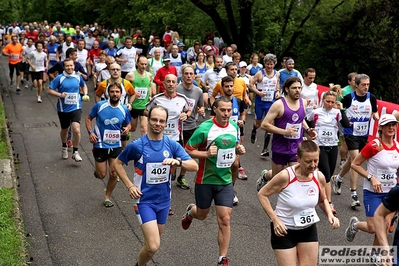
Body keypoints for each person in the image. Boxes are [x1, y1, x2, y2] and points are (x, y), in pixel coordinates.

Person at [113, 106, 198, 266]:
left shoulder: (171, 145)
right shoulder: (138, 146)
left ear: (166, 123)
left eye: (161, 121)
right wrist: (130, 186)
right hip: (143, 201)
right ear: (149, 120)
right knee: (153, 245)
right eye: (154, 119)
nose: (157, 123)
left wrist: (178, 162)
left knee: (152, 244)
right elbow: (118, 164)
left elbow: (194, 166)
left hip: (164, 201)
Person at [182, 96, 246, 266]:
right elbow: (187, 150)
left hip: (225, 181)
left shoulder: (234, 127)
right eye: (223, 110)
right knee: (202, 215)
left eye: (229, 110)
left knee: (225, 219)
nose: (226, 113)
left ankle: (222, 258)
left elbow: (234, 146)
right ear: (215, 109)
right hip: (205, 180)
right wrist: (206, 154)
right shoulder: (205, 128)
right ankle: (191, 212)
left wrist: (239, 149)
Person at [257, 140, 340, 266]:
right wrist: (275, 220)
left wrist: (330, 214)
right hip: (284, 230)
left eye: (316, 161)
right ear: (298, 159)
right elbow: (262, 194)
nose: (313, 165)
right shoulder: (286, 176)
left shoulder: (319, 177)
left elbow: (322, 199)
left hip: (308, 229)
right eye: (308, 161)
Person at [345, 114, 399, 247]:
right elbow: (354, 164)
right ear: (380, 127)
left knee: (385, 224)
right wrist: (371, 177)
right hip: (373, 192)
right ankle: (355, 225)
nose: (391, 127)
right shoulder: (374, 146)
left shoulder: (398, 146)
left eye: (393, 124)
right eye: (387, 125)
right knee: (373, 227)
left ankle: (376, 254)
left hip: (391, 192)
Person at [257, 76, 316, 190]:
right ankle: (265, 176)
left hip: (296, 147)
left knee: (297, 177)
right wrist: (285, 132)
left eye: (299, 88)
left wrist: (308, 130)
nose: (298, 90)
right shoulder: (279, 104)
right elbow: (264, 124)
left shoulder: (303, 102)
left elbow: (300, 119)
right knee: (277, 178)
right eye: (294, 88)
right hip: (280, 146)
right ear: (287, 89)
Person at [330, 74, 378, 208]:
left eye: (368, 84)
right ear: (356, 85)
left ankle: (338, 178)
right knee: (357, 162)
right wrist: (339, 109)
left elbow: (375, 111)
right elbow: (337, 108)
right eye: (363, 85)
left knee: (353, 161)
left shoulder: (371, 97)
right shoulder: (349, 98)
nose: (366, 87)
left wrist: (375, 115)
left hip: (363, 135)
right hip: (351, 133)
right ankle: (353, 194)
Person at [85, 83, 132, 207]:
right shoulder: (100, 106)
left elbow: (129, 124)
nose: (115, 94)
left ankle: (107, 197)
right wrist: (90, 132)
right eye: (112, 91)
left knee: (114, 173)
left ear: (121, 94)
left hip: (116, 146)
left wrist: (127, 128)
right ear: (108, 93)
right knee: (102, 175)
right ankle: (98, 171)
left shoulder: (124, 109)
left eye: (117, 91)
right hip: (100, 145)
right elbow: (88, 118)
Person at [306, 90, 349, 214]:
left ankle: (316, 193)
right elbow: (307, 121)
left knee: (328, 174)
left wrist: (342, 110)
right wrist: (310, 132)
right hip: (319, 146)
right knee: (326, 173)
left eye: (332, 102)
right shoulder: (316, 112)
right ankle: (328, 203)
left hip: (333, 146)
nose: (330, 104)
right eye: (327, 101)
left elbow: (346, 124)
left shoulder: (337, 113)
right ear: (323, 101)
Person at [146, 74, 192, 189]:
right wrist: (156, 119)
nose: (171, 84)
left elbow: (189, 110)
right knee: (162, 163)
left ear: (177, 84)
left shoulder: (182, 98)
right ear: (164, 84)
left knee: (174, 162)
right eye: (168, 81)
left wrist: (186, 115)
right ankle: (162, 186)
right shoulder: (157, 98)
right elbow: (146, 111)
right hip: (159, 137)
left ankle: (171, 175)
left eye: (173, 82)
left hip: (176, 137)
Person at [47, 58, 90, 161]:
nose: (69, 67)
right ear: (64, 67)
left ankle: (75, 151)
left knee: (76, 129)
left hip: (76, 107)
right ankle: (64, 146)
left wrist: (85, 94)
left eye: (71, 65)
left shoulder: (78, 77)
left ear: (74, 66)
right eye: (67, 66)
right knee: (65, 129)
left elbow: (84, 86)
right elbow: (49, 90)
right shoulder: (59, 78)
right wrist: (60, 94)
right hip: (63, 108)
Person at [175, 64, 205, 187]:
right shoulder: (176, 89)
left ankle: (181, 177)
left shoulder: (198, 91)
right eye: (186, 73)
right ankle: (170, 172)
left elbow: (201, 106)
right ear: (182, 76)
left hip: (191, 126)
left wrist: (201, 110)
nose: (188, 76)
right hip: (176, 126)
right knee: (173, 151)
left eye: (191, 74)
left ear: (194, 76)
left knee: (187, 153)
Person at [250, 53, 280, 157]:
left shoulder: (277, 74)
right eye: (267, 64)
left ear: (274, 64)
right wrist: (258, 92)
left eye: (271, 64)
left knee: (269, 125)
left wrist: (277, 92)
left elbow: (277, 86)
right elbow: (251, 84)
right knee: (259, 123)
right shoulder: (260, 73)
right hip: (260, 102)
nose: (269, 66)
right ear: (264, 64)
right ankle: (254, 128)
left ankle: (265, 148)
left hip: (271, 103)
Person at [125, 56, 155, 135]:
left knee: (144, 129)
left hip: (144, 106)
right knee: (133, 128)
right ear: (137, 63)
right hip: (134, 106)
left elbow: (149, 86)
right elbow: (124, 89)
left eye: (145, 64)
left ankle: (143, 146)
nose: (144, 66)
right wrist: (132, 93)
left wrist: (149, 95)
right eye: (142, 64)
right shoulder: (130, 75)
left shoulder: (149, 75)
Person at [337, 72, 358, 169]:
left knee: (355, 141)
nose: (357, 82)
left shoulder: (361, 90)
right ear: (349, 81)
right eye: (354, 80)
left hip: (357, 120)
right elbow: (336, 104)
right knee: (345, 140)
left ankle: (353, 161)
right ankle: (343, 160)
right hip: (345, 118)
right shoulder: (344, 91)